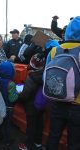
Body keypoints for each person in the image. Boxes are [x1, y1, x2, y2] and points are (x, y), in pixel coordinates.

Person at [45, 16, 80, 150]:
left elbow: (46, 74)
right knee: (74, 141)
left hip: (57, 100)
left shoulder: (55, 50)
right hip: (77, 105)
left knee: (53, 136)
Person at [18, 53, 46, 150]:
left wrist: (19, 95)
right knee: (40, 123)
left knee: (31, 126)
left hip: (31, 105)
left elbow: (25, 95)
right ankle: (38, 142)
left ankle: (28, 145)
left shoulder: (32, 77)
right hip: (42, 103)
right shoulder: (46, 74)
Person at [0, 61, 18, 145]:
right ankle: (7, 141)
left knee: (0, 122)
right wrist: (17, 94)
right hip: (8, 108)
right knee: (7, 124)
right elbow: (13, 99)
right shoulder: (11, 84)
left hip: (0, 106)